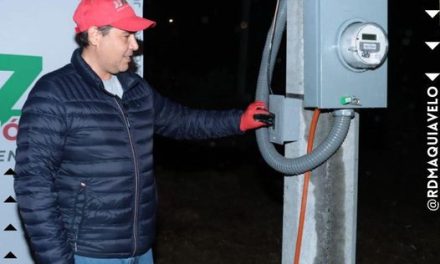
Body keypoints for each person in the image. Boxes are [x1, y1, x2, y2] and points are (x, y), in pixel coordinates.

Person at [13, 0, 271, 264]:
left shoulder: (135, 88)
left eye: (134, 36)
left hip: (141, 250)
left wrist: (239, 120)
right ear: (94, 36)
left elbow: (182, 121)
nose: (135, 46)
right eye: (126, 36)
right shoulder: (54, 94)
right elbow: (33, 186)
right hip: (88, 254)